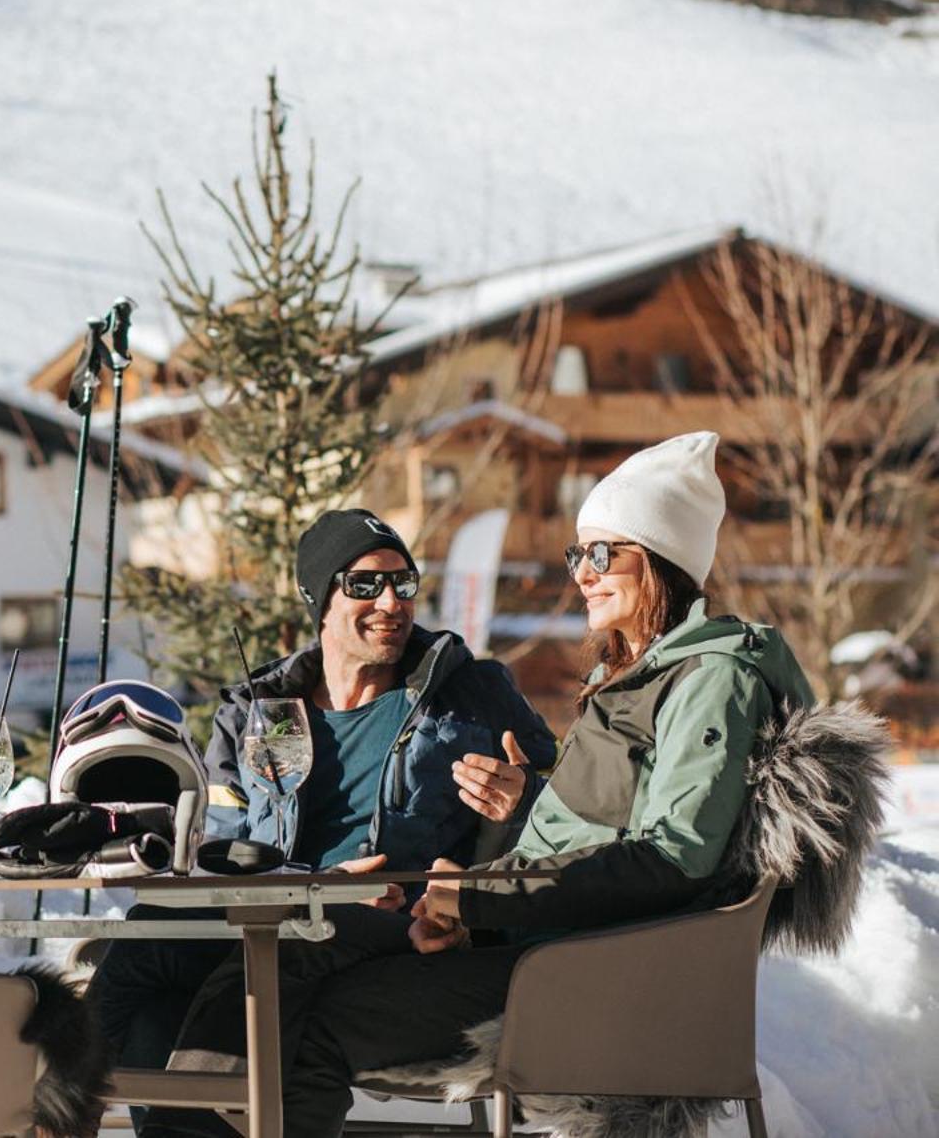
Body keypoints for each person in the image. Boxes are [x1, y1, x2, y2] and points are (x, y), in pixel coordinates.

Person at [260, 431, 820, 1135]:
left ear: (660, 561)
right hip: (560, 955)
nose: (581, 572)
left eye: (601, 552)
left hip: (604, 981)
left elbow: (674, 857)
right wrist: (477, 908)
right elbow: (602, 830)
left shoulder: (715, 681)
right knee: (296, 989)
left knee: (317, 1017)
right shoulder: (633, 682)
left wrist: (481, 897)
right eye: (576, 554)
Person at [86, 509, 555, 1134]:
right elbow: (218, 851)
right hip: (275, 906)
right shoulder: (258, 710)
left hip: (400, 922)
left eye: (404, 583)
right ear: (321, 598)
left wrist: (523, 798)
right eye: (365, 584)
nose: (390, 601)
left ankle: (57, 1093)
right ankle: (66, 1088)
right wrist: (312, 878)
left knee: (301, 930)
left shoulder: (470, 694)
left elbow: (567, 813)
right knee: (153, 951)